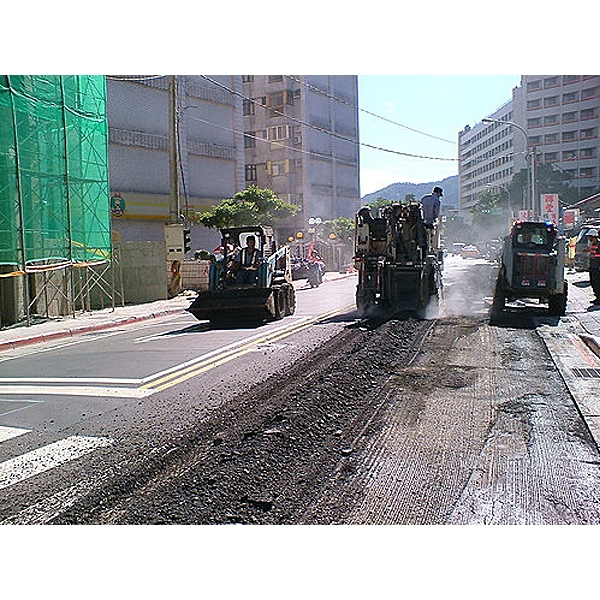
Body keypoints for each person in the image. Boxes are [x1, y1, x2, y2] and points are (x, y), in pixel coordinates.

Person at [587, 229, 600, 305]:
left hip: (597, 267)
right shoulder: (593, 245)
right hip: (593, 267)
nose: (589, 239)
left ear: (593, 236)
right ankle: (597, 297)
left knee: (597, 283)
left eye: (589, 237)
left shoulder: (599, 244)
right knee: (593, 282)